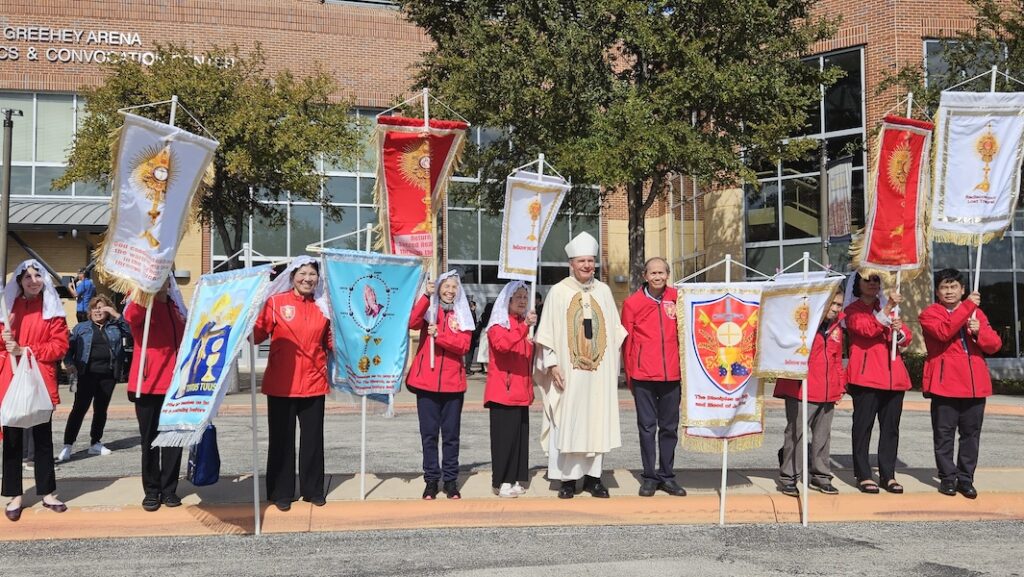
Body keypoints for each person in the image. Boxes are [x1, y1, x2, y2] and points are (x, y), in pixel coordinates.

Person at [534, 232, 626, 499]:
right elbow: (547, 334)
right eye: (582, 261)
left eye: (591, 261)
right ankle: (567, 480)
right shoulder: (559, 293)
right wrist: (552, 366)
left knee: (596, 421)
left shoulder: (605, 292)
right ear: (571, 264)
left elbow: (616, 331)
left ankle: (593, 479)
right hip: (568, 373)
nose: (587, 265)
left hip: (597, 375)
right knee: (569, 422)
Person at [253, 256, 332, 511]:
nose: (307, 278)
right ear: (292, 276)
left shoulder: (324, 307)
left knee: (312, 441)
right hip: (281, 384)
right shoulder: (276, 302)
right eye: (303, 274)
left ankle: (313, 490)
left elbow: (332, 342)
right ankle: (280, 492)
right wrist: (245, 313)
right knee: (281, 440)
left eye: (312, 274)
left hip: (314, 382)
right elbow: (256, 335)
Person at [919, 268, 1002, 499]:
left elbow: (994, 345)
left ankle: (966, 479)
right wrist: (967, 308)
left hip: (975, 383)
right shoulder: (929, 314)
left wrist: (978, 333)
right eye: (944, 287)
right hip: (945, 384)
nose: (949, 291)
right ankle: (947, 477)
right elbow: (944, 332)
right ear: (937, 291)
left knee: (970, 435)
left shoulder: (977, 314)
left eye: (953, 287)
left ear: (962, 289)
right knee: (944, 434)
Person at [0, 259, 70, 521]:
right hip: (12, 381)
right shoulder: (8, 309)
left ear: (44, 280)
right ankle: (14, 494)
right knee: (13, 440)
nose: (32, 281)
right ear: (19, 281)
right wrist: (6, 342)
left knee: (42, 439)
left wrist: (27, 350)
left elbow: (59, 346)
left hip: (41, 380)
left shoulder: (52, 310)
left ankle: (48, 492)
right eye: (26, 277)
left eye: (37, 276)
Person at [621, 257, 686, 497]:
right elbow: (626, 344)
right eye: (653, 273)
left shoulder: (678, 299)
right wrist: (630, 375)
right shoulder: (632, 303)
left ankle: (667, 475)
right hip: (643, 376)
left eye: (662, 272)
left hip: (672, 376)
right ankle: (649, 476)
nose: (658, 277)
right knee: (647, 428)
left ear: (668, 274)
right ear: (645, 276)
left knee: (669, 428)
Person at [407, 270, 474, 500]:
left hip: (453, 384)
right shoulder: (430, 310)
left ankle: (451, 480)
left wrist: (441, 336)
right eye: (446, 286)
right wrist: (426, 296)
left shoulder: (463, 315)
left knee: (451, 436)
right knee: (429, 436)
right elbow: (412, 323)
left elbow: (464, 345)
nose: (450, 291)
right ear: (439, 288)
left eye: (454, 287)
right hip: (426, 382)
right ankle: (431, 480)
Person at [844, 272, 912, 495]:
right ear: (858, 284)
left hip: (894, 377)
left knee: (891, 429)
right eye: (867, 280)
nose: (872, 283)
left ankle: (888, 474)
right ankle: (863, 474)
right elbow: (867, 329)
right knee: (863, 428)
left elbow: (906, 338)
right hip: (866, 378)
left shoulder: (887, 308)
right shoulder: (852, 310)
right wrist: (888, 307)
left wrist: (899, 330)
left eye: (876, 280)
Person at [774, 290, 845, 497]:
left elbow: (837, 359)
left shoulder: (837, 327)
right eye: (832, 304)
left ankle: (821, 475)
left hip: (826, 389)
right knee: (796, 434)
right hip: (801, 388)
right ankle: (789, 477)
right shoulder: (801, 324)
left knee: (823, 436)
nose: (835, 309)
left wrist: (839, 385)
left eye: (839, 305)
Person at [124, 278, 187, 512]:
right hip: (148, 384)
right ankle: (151, 491)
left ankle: (169, 489)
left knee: (173, 441)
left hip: (175, 386)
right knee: (150, 441)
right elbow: (130, 318)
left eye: (164, 277)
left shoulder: (175, 307)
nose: (161, 282)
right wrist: (145, 294)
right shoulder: (141, 304)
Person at [58, 294, 131, 462]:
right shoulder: (81, 328)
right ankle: (68, 445)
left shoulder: (115, 327)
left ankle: (95, 443)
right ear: (90, 311)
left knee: (101, 409)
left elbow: (131, 331)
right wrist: (69, 363)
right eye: (95, 308)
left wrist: (115, 313)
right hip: (86, 373)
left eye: (102, 307)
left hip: (108, 374)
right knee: (79, 409)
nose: (98, 311)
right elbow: (68, 348)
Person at [483, 281, 536, 498]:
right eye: (519, 297)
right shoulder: (497, 326)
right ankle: (501, 480)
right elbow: (503, 346)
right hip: (502, 393)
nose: (523, 301)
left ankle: (514, 477)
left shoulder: (525, 326)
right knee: (504, 440)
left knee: (519, 440)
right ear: (508, 300)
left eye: (526, 297)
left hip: (520, 392)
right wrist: (525, 329)